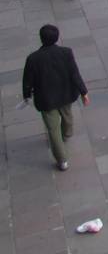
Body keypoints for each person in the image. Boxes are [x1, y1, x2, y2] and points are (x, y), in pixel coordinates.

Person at [22, 24, 89, 171]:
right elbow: (74, 74)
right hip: (65, 93)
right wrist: (84, 92)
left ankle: (62, 160)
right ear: (57, 37)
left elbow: (27, 80)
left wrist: (26, 95)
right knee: (67, 115)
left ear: (41, 38)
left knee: (53, 129)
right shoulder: (66, 52)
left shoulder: (33, 59)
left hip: (46, 99)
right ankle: (67, 133)